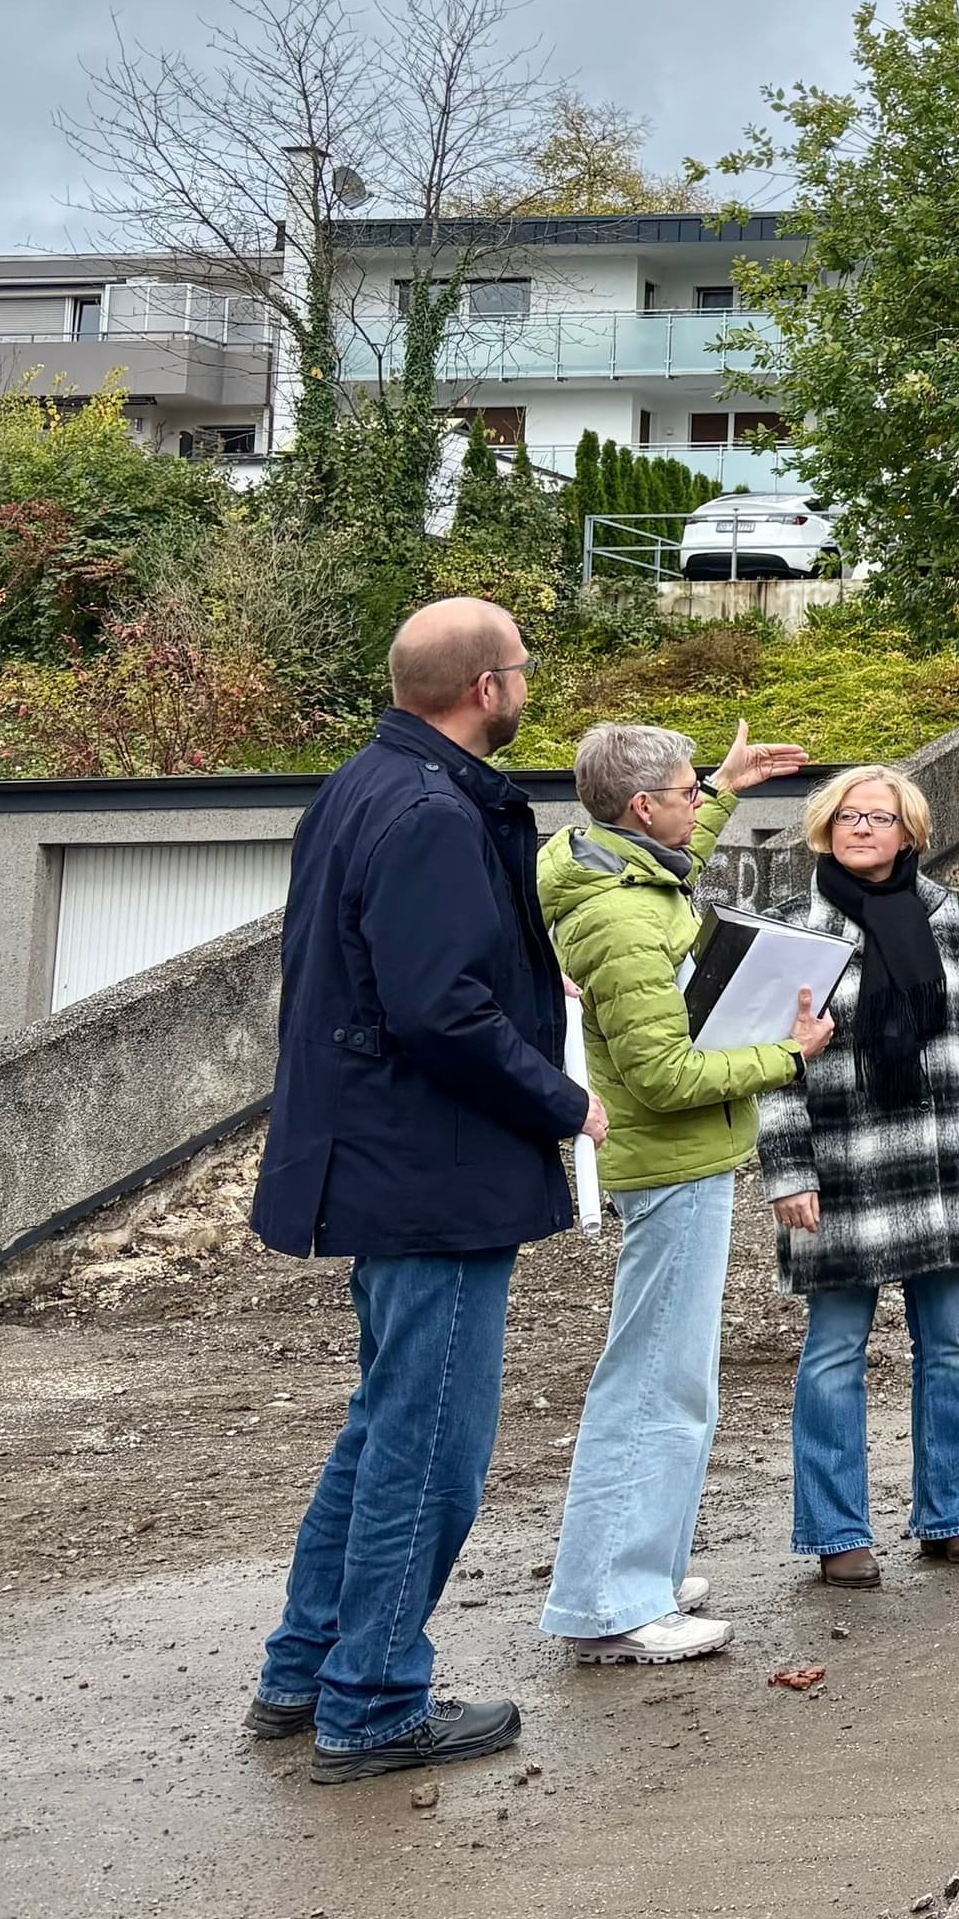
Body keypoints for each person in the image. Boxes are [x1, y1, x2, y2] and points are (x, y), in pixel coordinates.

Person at [247, 596, 596, 1780]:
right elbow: (440, 1009)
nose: (527, 684)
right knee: (430, 1437)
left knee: (385, 1418)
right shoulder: (434, 810)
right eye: (522, 669)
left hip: (385, 1158)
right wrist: (561, 1098)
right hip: (429, 1168)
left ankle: (306, 1670)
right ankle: (376, 1699)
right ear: (486, 690)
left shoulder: (359, 786)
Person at [533, 717, 823, 1665]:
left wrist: (729, 789)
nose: (701, 802)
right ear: (641, 806)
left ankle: (638, 1569)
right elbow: (660, 1075)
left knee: (672, 1378)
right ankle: (610, 1603)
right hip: (671, 1161)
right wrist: (788, 1053)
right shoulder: (618, 915)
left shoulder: (621, 874)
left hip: (682, 1162)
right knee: (657, 1384)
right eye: (691, 790)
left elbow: (672, 873)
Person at [756, 762, 959, 1585]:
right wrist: (787, 1169)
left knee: (950, 1346)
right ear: (824, 827)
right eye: (847, 815)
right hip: (843, 1164)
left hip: (940, 1157)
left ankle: (951, 1517)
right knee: (835, 1351)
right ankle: (837, 1534)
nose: (860, 827)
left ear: (911, 834)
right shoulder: (794, 925)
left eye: (879, 816)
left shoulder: (947, 914)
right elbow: (770, 1066)